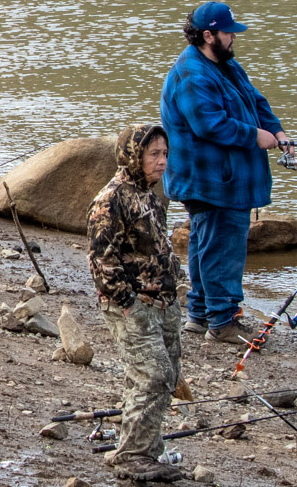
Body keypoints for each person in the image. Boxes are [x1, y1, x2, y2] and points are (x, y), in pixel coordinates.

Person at [161, 1, 290, 345]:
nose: (233, 37)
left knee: (206, 243)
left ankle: (200, 315)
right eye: (228, 32)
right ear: (208, 36)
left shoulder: (226, 64)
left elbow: (256, 101)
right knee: (223, 247)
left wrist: (276, 131)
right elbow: (209, 125)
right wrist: (255, 136)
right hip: (210, 181)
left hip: (226, 179)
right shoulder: (192, 74)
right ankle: (223, 321)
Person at [86, 124, 184, 484]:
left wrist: (175, 283)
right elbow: (101, 259)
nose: (161, 162)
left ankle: (145, 448)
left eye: (164, 154)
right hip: (134, 305)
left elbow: (158, 248)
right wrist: (127, 301)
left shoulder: (150, 196)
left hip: (164, 302)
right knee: (153, 375)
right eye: (153, 154)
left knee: (165, 375)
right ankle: (133, 456)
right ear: (133, 156)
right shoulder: (111, 199)